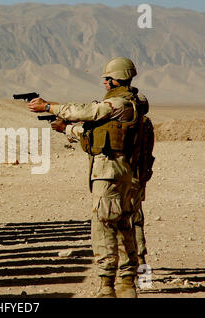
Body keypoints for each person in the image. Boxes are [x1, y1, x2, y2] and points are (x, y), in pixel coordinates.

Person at [28, 57, 149, 298]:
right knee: (123, 224)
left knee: (103, 225)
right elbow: (92, 133)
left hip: (109, 173)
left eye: (107, 78)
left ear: (117, 79)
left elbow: (87, 112)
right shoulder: (129, 104)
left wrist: (49, 107)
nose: (105, 82)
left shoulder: (119, 103)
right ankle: (127, 282)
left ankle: (107, 286)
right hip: (122, 171)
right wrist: (66, 129)